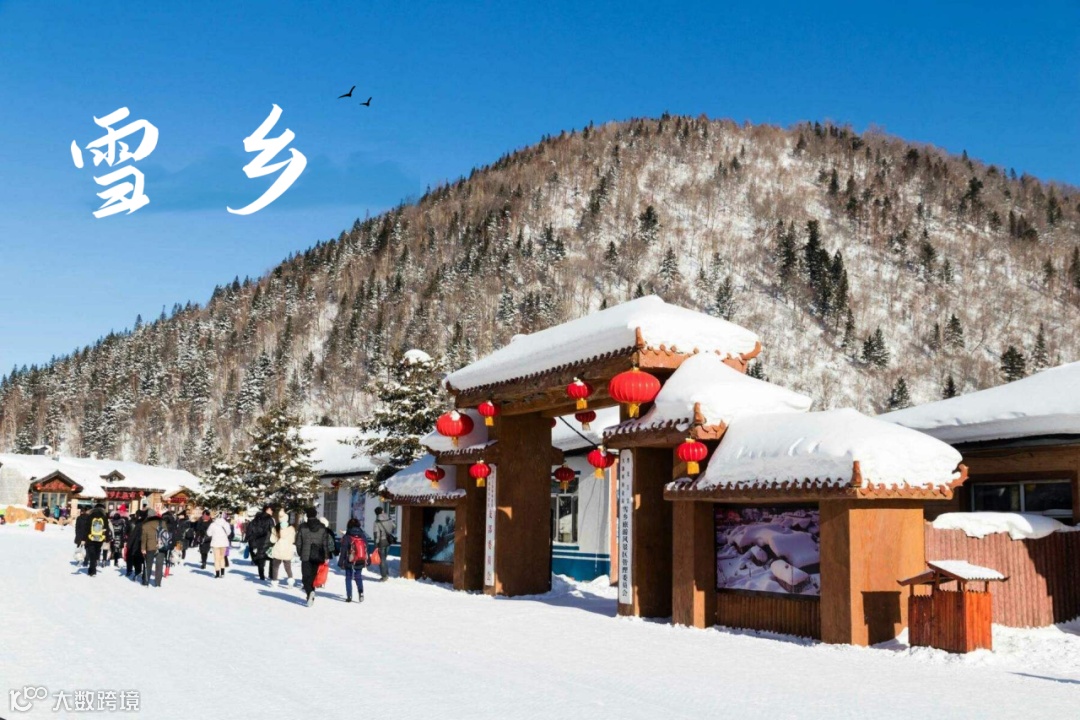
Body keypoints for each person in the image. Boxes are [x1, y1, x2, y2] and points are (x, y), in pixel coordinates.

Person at [295, 507, 335, 606]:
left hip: (306, 555)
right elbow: (325, 543)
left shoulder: (302, 527)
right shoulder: (322, 527)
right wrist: (326, 555)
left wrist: (300, 552)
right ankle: (310, 596)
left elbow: (298, 542)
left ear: (307, 515)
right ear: (316, 515)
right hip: (318, 555)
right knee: (312, 576)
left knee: (305, 577)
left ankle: (310, 592)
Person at [338, 518, 368, 603]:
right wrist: (367, 560)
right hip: (360, 559)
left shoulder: (347, 536)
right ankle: (361, 592)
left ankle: (349, 596)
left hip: (349, 559)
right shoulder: (362, 535)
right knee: (358, 576)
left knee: (348, 577)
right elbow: (366, 547)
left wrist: (340, 562)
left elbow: (343, 550)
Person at [247, 505, 276, 582]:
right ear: (267, 510)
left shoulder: (255, 519)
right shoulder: (270, 519)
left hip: (258, 543)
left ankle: (261, 576)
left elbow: (250, 531)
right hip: (268, 542)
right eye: (271, 510)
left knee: (261, 559)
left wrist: (252, 542)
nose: (272, 511)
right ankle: (271, 575)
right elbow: (273, 531)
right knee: (272, 558)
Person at [141, 508, 168, 588]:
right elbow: (166, 534)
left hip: (150, 546)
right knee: (159, 565)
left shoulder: (146, 525)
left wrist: (143, 548)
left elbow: (144, 538)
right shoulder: (162, 522)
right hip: (161, 546)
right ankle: (158, 582)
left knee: (148, 564)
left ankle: (146, 581)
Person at [84, 504, 111, 577]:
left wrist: (84, 538)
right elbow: (106, 528)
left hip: (90, 538)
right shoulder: (104, 517)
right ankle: (93, 569)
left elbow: (87, 528)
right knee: (96, 553)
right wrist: (107, 538)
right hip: (100, 538)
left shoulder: (90, 516)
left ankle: (92, 570)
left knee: (91, 554)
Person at [269, 513, 296, 585]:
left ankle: (275, 582)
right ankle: (290, 580)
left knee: (275, 567)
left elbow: (272, 540)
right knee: (288, 567)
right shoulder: (291, 529)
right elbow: (293, 540)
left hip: (278, 550)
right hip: (287, 550)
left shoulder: (276, 528)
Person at [372, 507, 397, 582]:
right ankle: (386, 573)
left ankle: (384, 576)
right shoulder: (389, 519)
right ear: (382, 511)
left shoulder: (377, 522)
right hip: (388, 541)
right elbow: (394, 526)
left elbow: (376, 534)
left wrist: (376, 544)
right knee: (384, 558)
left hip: (381, 542)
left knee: (382, 559)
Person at [207, 511, 232, 578]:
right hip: (224, 543)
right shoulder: (226, 524)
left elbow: (209, 533)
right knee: (222, 558)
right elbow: (229, 532)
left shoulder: (213, 524)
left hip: (215, 543)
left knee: (216, 559)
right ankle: (222, 573)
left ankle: (217, 573)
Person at [126, 510, 146, 580]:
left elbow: (133, 535)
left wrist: (129, 544)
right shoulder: (148, 523)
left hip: (137, 543)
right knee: (144, 559)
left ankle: (137, 571)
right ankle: (144, 574)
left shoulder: (138, 523)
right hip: (146, 543)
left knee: (136, 558)